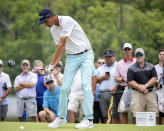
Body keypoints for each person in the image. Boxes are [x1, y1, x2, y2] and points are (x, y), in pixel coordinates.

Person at [39, 8, 94, 129]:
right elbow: (61, 49)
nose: (45, 24)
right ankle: (61, 117)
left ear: (52, 16)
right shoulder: (53, 29)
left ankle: (89, 119)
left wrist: (51, 65)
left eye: (45, 21)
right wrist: (52, 66)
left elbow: (62, 44)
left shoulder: (67, 20)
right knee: (64, 89)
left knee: (85, 85)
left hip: (86, 54)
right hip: (71, 57)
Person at [127, 48, 159, 124]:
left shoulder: (151, 66)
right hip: (137, 93)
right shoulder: (131, 68)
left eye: (141, 54)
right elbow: (130, 82)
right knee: (136, 114)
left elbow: (154, 78)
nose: (139, 56)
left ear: (144, 56)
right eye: (137, 55)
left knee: (154, 114)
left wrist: (145, 86)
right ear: (135, 56)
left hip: (150, 93)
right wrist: (139, 87)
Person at [114, 43, 136, 124]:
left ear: (131, 50)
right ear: (123, 50)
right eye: (125, 49)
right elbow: (116, 78)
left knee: (134, 111)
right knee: (123, 110)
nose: (127, 51)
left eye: (129, 49)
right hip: (123, 88)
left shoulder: (136, 61)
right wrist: (123, 79)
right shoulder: (119, 63)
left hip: (135, 88)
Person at [97, 50, 118, 123]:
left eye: (110, 56)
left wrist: (117, 87)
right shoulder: (100, 68)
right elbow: (95, 80)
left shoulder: (118, 66)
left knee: (115, 114)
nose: (108, 58)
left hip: (114, 94)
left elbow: (123, 80)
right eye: (106, 57)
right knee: (105, 114)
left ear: (114, 57)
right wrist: (102, 78)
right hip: (102, 94)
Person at [93, 58, 105, 123]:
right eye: (99, 62)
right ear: (97, 64)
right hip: (95, 99)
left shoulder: (107, 72)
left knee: (104, 117)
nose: (101, 64)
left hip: (104, 98)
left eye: (103, 63)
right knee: (95, 118)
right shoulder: (93, 72)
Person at [155, 49, 164, 124]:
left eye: (163, 54)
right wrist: (157, 83)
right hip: (157, 92)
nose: (162, 56)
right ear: (158, 56)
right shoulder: (154, 67)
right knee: (157, 112)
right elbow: (152, 79)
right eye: (161, 54)